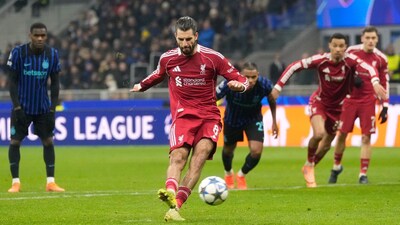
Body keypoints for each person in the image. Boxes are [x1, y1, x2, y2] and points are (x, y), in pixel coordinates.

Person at [129, 16, 249, 221]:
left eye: (188, 39)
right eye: (180, 39)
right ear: (176, 37)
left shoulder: (213, 58)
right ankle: (170, 192)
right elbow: (158, 74)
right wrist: (142, 85)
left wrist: (241, 86)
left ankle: (176, 206)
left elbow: (240, 78)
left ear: (196, 36)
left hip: (209, 116)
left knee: (199, 157)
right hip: (183, 116)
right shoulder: (168, 59)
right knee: (178, 157)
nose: (185, 44)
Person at [271, 33, 387, 188]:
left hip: (338, 108)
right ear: (330, 46)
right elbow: (294, 66)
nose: (338, 49)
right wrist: (278, 87)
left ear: (346, 48)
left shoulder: (350, 61)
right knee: (318, 134)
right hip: (319, 103)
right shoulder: (320, 60)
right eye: (335, 46)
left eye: (341, 46)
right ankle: (310, 166)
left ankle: (309, 165)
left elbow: (369, 69)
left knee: (326, 145)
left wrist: (375, 82)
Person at [314, 26, 389, 184]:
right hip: (348, 99)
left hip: (368, 101)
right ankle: (336, 167)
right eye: (367, 38)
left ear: (377, 39)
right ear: (361, 38)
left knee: (366, 137)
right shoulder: (352, 52)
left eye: (373, 38)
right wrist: (351, 78)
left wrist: (385, 105)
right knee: (342, 134)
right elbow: (340, 66)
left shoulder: (381, 59)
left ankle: (362, 174)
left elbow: (384, 82)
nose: (370, 41)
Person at [6, 22, 64, 193]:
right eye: (36, 35)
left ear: (46, 36)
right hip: (22, 107)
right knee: (15, 142)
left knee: (48, 142)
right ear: (30, 35)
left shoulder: (52, 55)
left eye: (43, 35)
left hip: (42, 108)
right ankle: (15, 183)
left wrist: (52, 109)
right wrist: (17, 107)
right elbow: (12, 82)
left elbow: (55, 84)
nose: (40, 38)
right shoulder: (18, 53)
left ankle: (51, 183)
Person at [216, 62, 279, 190]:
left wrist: (274, 121)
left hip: (253, 119)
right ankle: (228, 173)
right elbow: (213, 97)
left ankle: (241, 175)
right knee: (228, 150)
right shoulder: (230, 83)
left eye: (253, 77)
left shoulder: (264, 84)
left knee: (256, 151)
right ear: (240, 75)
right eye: (246, 77)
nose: (250, 81)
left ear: (258, 75)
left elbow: (272, 100)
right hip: (232, 119)